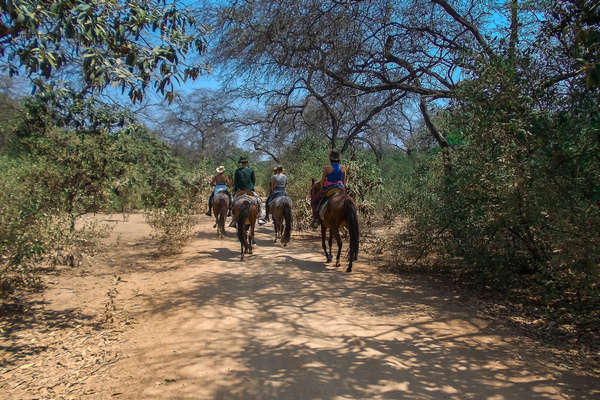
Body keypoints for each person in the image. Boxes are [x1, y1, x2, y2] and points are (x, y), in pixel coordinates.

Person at [310, 149, 347, 228]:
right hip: (340, 188)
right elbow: (344, 182)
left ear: (330, 157)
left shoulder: (327, 168)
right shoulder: (343, 167)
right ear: (339, 158)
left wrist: (321, 188)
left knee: (315, 200)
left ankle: (316, 219)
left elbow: (323, 182)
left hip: (329, 189)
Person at [230, 156, 265, 226]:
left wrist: (237, 189)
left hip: (240, 191)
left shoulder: (237, 171)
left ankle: (233, 219)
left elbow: (235, 182)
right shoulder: (251, 170)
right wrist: (250, 187)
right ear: (247, 163)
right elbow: (253, 181)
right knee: (259, 201)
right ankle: (260, 218)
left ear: (241, 163)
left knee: (233, 203)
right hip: (250, 190)